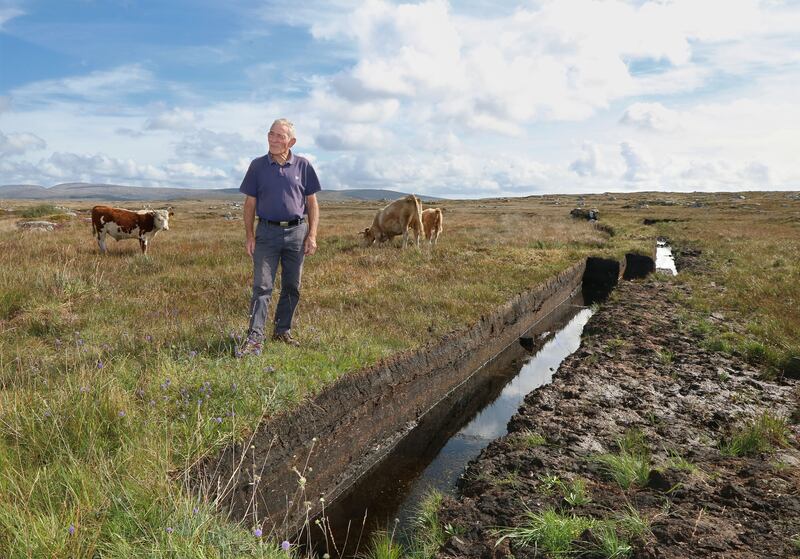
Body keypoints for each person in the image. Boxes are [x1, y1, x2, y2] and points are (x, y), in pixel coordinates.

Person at [239, 118, 320, 355]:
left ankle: (282, 330)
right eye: (271, 134)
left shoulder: (303, 166)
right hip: (266, 233)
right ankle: (254, 339)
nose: (274, 139)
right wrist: (249, 235)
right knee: (262, 287)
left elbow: (312, 203)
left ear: (291, 141)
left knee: (292, 286)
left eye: (280, 136)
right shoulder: (257, 166)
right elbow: (249, 203)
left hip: (297, 232)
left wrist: (312, 235)